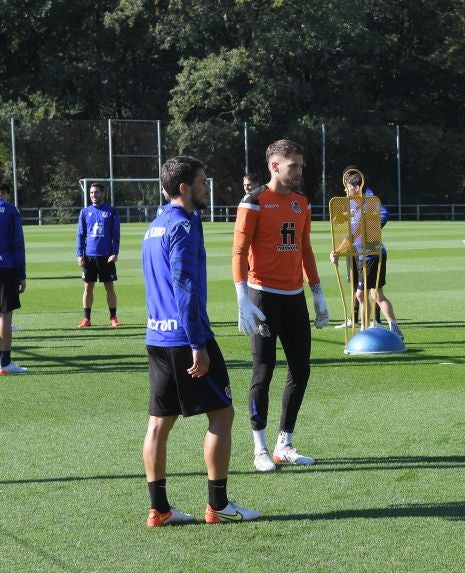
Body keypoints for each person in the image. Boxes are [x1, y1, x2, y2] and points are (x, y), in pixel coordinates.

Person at [142, 156, 259, 526]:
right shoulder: (182, 227)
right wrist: (198, 344)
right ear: (184, 187)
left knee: (159, 423)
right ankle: (218, 506)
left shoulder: (155, 225)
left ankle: (159, 510)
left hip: (156, 336)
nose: (207, 187)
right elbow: (185, 288)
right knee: (222, 413)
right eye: (203, 182)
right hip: (186, 337)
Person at [232, 139, 329, 473]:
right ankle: (258, 448)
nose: (299, 172)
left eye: (301, 166)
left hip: (294, 298)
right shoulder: (254, 201)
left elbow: (305, 248)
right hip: (262, 297)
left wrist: (317, 292)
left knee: (301, 370)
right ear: (275, 166)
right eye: (293, 166)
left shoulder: (302, 202)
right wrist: (241, 295)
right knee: (263, 369)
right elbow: (239, 251)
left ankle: (283, 443)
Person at [329, 169, 402, 339]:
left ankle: (366, 330)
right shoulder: (355, 202)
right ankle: (391, 328)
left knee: (363, 294)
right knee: (374, 294)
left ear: (356, 186)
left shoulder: (368, 199)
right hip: (365, 254)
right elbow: (352, 229)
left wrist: (371, 228)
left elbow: (383, 213)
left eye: (347, 187)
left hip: (371, 254)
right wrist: (343, 217)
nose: (345, 191)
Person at [76, 183, 121, 328]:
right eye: (91, 193)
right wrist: (79, 254)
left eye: (96, 192)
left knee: (109, 287)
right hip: (89, 256)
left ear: (103, 193)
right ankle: (86, 319)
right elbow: (80, 235)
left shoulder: (111, 211)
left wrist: (114, 253)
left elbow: (116, 234)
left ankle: (113, 317)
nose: (93, 195)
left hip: (106, 256)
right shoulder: (85, 212)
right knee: (88, 288)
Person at [0, 182, 27, 375]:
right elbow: (18, 243)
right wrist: (21, 274)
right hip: (5, 265)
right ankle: (5, 362)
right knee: (5, 316)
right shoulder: (10, 210)